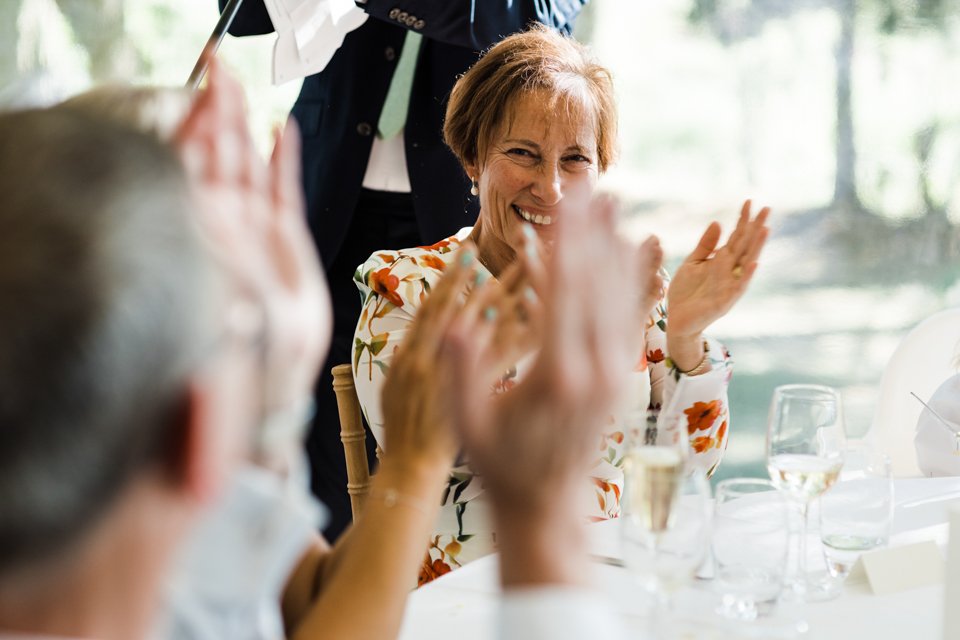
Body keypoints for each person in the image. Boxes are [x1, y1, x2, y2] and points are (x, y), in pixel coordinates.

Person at [0, 62, 529, 640]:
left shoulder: (217, 458)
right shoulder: (121, 477)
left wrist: (278, 409)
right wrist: (414, 460)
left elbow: (313, 598)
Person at [353, 25, 770, 580]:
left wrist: (686, 339)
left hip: (620, 572)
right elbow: (437, 456)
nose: (549, 188)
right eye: (523, 154)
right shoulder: (405, 286)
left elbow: (693, 460)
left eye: (575, 160)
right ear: (474, 159)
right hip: (477, 588)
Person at [222, 0, 590, 541]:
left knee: (445, 442)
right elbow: (244, 14)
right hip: (329, 198)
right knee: (317, 430)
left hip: (461, 218)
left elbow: (525, 21)